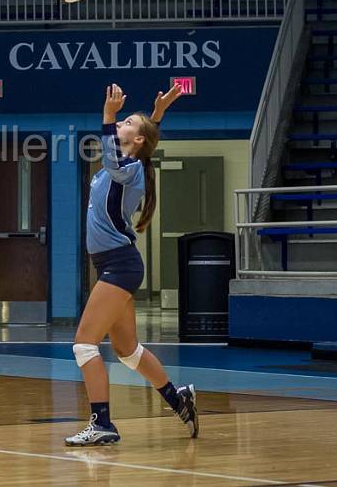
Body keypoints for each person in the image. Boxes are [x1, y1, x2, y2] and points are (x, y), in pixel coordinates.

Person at [64, 81, 199, 446]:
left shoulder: (129, 168)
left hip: (119, 265)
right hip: (115, 263)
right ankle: (177, 397)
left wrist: (108, 116)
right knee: (127, 352)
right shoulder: (126, 164)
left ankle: (102, 423)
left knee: (84, 345)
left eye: (127, 123)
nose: (121, 122)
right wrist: (156, 115)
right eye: (120, 120)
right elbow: (135, 143)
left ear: (136, 140)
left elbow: (119, 152)